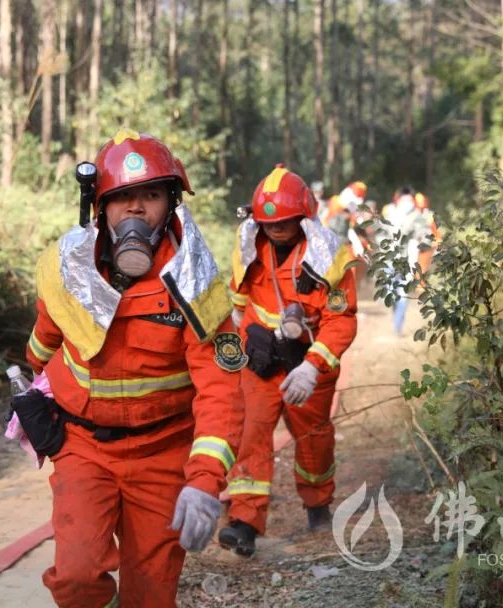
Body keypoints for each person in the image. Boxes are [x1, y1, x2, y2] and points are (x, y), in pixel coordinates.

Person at [22, 130, 245, 607]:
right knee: (78, 579)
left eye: (151, 195)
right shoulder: (68, 269)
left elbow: (221, 391)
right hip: (83, 448)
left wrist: (204, 481)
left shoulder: (196, 285)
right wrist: (32, 382)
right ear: (100, 207)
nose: (137, 209)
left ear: (172, 204)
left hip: (163, 454)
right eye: (123, 197)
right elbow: (45, 336)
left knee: (150, 594)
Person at [217, 165, 360, 557]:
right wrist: (232, 346)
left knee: (313, 440)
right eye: (269, 222)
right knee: (250, 434)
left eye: (283, 221)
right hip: (261, 359)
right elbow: (238, 302)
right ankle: (244, 522)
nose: (276, 229)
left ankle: (317, 504)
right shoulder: (250, 248)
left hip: (308, 362)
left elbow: (340, 319)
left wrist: (313, 366)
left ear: (302, 217)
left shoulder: (332, 257)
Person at [392, 191, 441, 335]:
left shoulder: (421, 218)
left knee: (403, 292)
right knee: (393, 291)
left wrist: (433, 244)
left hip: (414, 256)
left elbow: (429, 234)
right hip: (392, 261)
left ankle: (397, 326)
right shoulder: (391, 214)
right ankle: (396, 317)